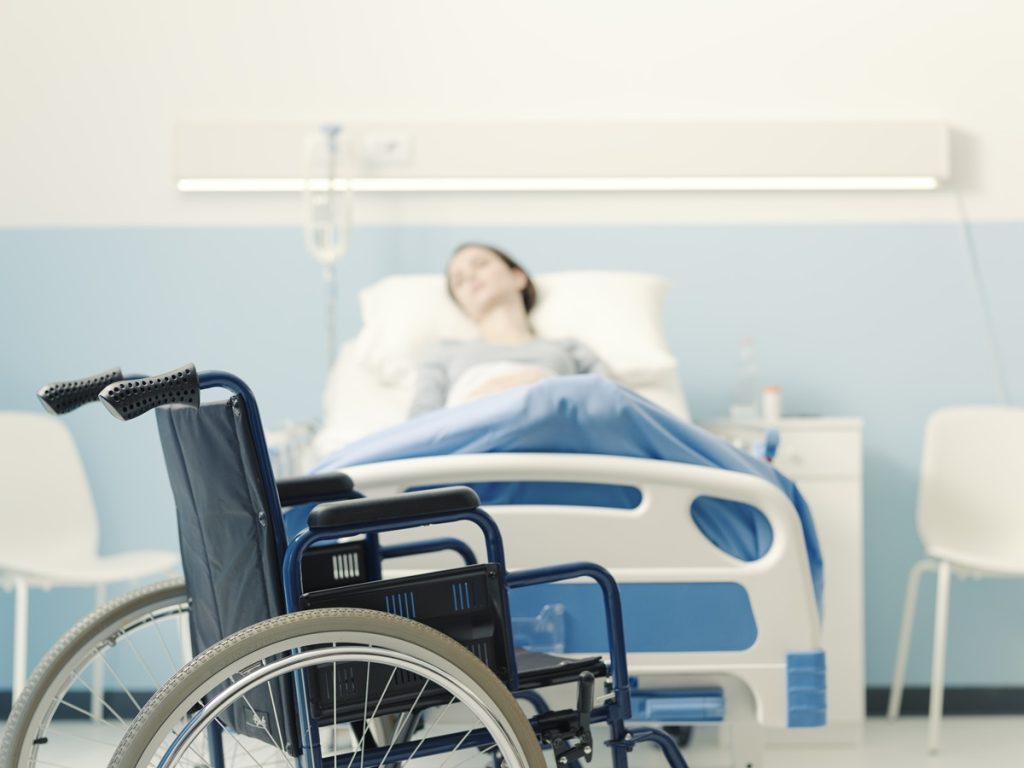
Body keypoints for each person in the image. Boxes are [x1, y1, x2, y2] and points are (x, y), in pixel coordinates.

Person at [408, 243, 608, 417]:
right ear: (462, 307)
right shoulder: (442, 352)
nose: (470, 276)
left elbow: (611, 403)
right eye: (459, 281)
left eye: (480, 264)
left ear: (518, 277)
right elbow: (420, 424)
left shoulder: (569, 348)